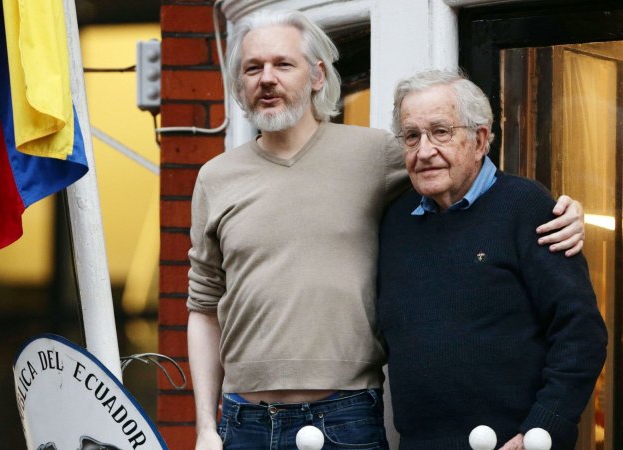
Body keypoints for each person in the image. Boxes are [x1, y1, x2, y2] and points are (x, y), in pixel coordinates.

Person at [187, 10, 585, 450]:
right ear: (239, 83)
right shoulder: (215, 177)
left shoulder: (373, 154)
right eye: (252, 67)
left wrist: (565, 209)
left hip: (343, 416)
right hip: (242, 420)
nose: (267, 79)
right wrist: (206, 425)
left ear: (318, 75)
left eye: (283, 64)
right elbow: (203, 305)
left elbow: (467, 173)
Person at [377, 70, 607, 450]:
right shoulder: (395, 221)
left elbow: (581, 333)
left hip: (516, 443)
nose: (424, 151)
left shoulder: (526, 206)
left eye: (441, 132)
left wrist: (542, 429)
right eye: (412, 136)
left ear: (480, 139)